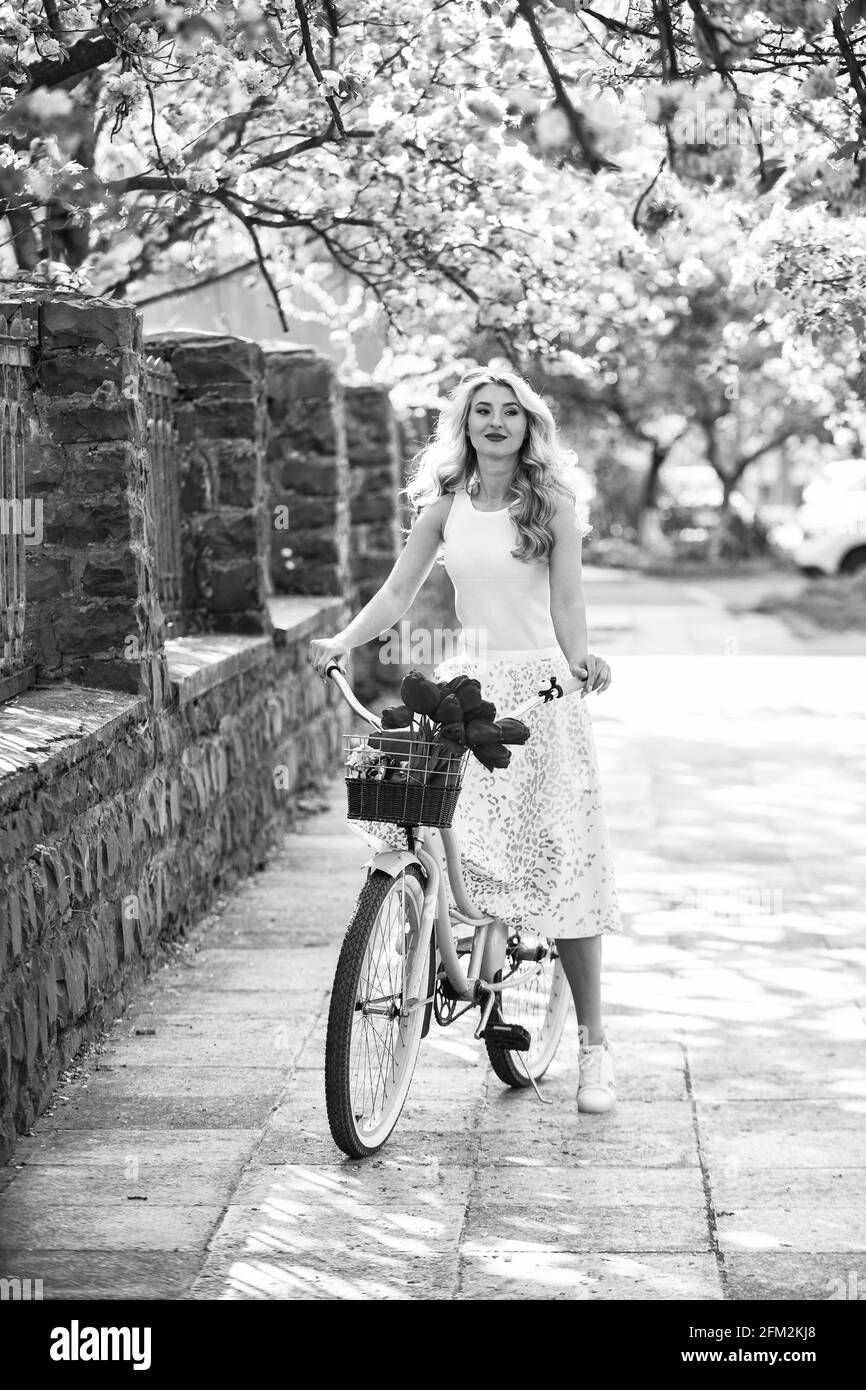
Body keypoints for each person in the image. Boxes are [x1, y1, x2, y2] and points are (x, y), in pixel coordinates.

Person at [309, 365, 622, 1113]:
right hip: (472, 689)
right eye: (482, 410)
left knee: (564, 865)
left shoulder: (552, 504)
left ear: (528, 425)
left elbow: (568, 601)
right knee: (456, 838)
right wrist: (343, 640)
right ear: (465, 423)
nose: (496, 421)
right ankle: (447, 958)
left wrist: (582, 661)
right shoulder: (445, 508)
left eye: (510, 411)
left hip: (543, 693)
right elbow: (398, 591)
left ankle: (595, 1046)